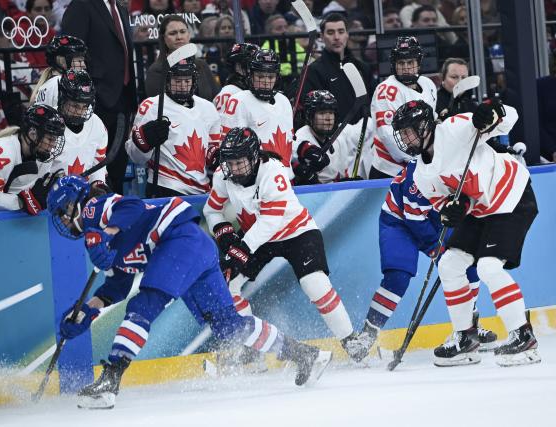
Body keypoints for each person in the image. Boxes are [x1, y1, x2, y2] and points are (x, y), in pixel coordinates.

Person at [46, 175, 333, 409]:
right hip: (195, 249)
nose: (62, 218)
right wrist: (85, 310)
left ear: (73, 203)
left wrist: (103, 235)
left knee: (143, 306)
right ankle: (304, 354)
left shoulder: (94, 208)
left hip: (178, 240)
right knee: (229, 327)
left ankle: (110, 379)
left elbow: (132, 207)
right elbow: (116, 286)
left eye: (62, 211)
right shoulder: (95, 239)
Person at [391, 99, 540, 367]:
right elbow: (444, 206)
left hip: (510, 196)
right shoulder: (421, 175)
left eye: (410, 131)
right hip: (480, 209)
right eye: (402, 134)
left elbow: (511, 117)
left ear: (426, 126)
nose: (406, 138)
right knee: (449, 265)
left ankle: (523, 336)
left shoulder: (455, 129)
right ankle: (466, 339)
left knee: (488, 267)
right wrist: (452, 210)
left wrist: (493, 112)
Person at [203, 127, 357, 357]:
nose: (234, 169)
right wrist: (224, 235)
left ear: (255, 157)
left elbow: (270, 221)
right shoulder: (222, 176)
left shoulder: (274, 171)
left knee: (315, 283)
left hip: (296, 232)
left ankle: (350, 340)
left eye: (240, 162)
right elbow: (211, 210)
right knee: (229, 287)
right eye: (230, 162)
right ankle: (251, 350)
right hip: (257, 238)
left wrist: (242, 249)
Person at [342, 160, 497, 363]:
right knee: (398, 276)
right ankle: (367, 336)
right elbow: (414, 219)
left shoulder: (458, 160)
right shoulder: (419, 174)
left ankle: (468, 329)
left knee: (468, 260)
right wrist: (438, 250)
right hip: (399, 221)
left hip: (437, 217)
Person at [62, 0, 138, 195]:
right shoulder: (81, 5)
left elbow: (124, 53)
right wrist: (83, 92)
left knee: (117, 168)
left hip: (122, 97)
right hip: (92, 100)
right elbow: (70, 51)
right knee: (93, 168)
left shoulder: (120, 7)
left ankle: (114, 212)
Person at [128, 59, 220, 197]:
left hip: (202, 190)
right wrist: (144, 142)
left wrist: (217, 156)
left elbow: (211, 153)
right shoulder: (151, 106)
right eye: (177, 81)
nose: (183, 86)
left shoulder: (208, 108)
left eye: (187, 81)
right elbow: (135, 156)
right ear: (167, 81)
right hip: (164, 187)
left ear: (194, 81)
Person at [369, 36, 437, 179]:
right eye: (401, 63)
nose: (406, 68)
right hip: (390, 171)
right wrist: (423, 160)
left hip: (420, 168)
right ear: (394, 65)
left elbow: (431, 124)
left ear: (418, 63)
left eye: (410, 62)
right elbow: (388, 135)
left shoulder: (428, 84)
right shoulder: (386, 90)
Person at [219, 49, 294, 169]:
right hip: (257, 177)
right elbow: (227, 145)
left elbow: (290, 141)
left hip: (286, 177)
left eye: (270, 77)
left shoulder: (284, 101)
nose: (265, 82)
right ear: (251, 75)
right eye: (260, 76)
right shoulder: (238, 101)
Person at [301, 13, 372, 126]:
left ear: (347, 34)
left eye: (341, 31)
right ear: (322, 37)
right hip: (332, 136)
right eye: (330, 32)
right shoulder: (313, 71)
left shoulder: (362, 67)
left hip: (363, 134)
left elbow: (371, 104)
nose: (336, 37)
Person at [292, 90, 373, 184]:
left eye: (331, 113)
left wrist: (370, 114)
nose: (328, 118)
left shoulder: (341, 132)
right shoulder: (302, 135)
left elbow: (365, 129)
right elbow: (293, 150)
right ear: (310, 116)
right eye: (322, 113)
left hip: (336, 191)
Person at [50, 70, 109, 189]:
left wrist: (97, 185)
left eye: (85, 106)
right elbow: (40, 172)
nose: (80, 112)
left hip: (83, 194)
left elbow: (98, 164)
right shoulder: (48, 122)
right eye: (75, 105)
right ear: (63, 99)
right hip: (51, 194)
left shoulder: (97, 124)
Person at [144, 15, 219, 102]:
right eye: (173, 33)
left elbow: (215, 97)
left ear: (189, 35)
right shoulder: (157, 70)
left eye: (183, 32)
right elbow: (159, 105)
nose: (179, 37)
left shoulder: (201, 65)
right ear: (164, 38)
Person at [30, 35, 88, 105]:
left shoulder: (50, 83)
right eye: (79, 61)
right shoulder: (61, 85)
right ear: (62, 61)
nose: (84, 66)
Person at [213, 43, 259, 115]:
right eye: (249, 65)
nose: (252, 69)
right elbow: (222, 123)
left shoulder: (259, 89)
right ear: (237, 66)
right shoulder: (228, 92)